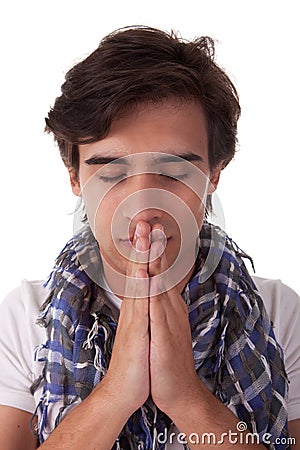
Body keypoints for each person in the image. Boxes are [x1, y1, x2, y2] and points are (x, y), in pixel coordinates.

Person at [0, 26, 299, 450]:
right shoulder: (26, 318)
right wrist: (118, 390)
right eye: (111, 172)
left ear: (214, 174)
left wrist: (186, 395)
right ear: (75, 177)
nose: (143, 203)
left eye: (175, 172)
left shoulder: (278, 313)